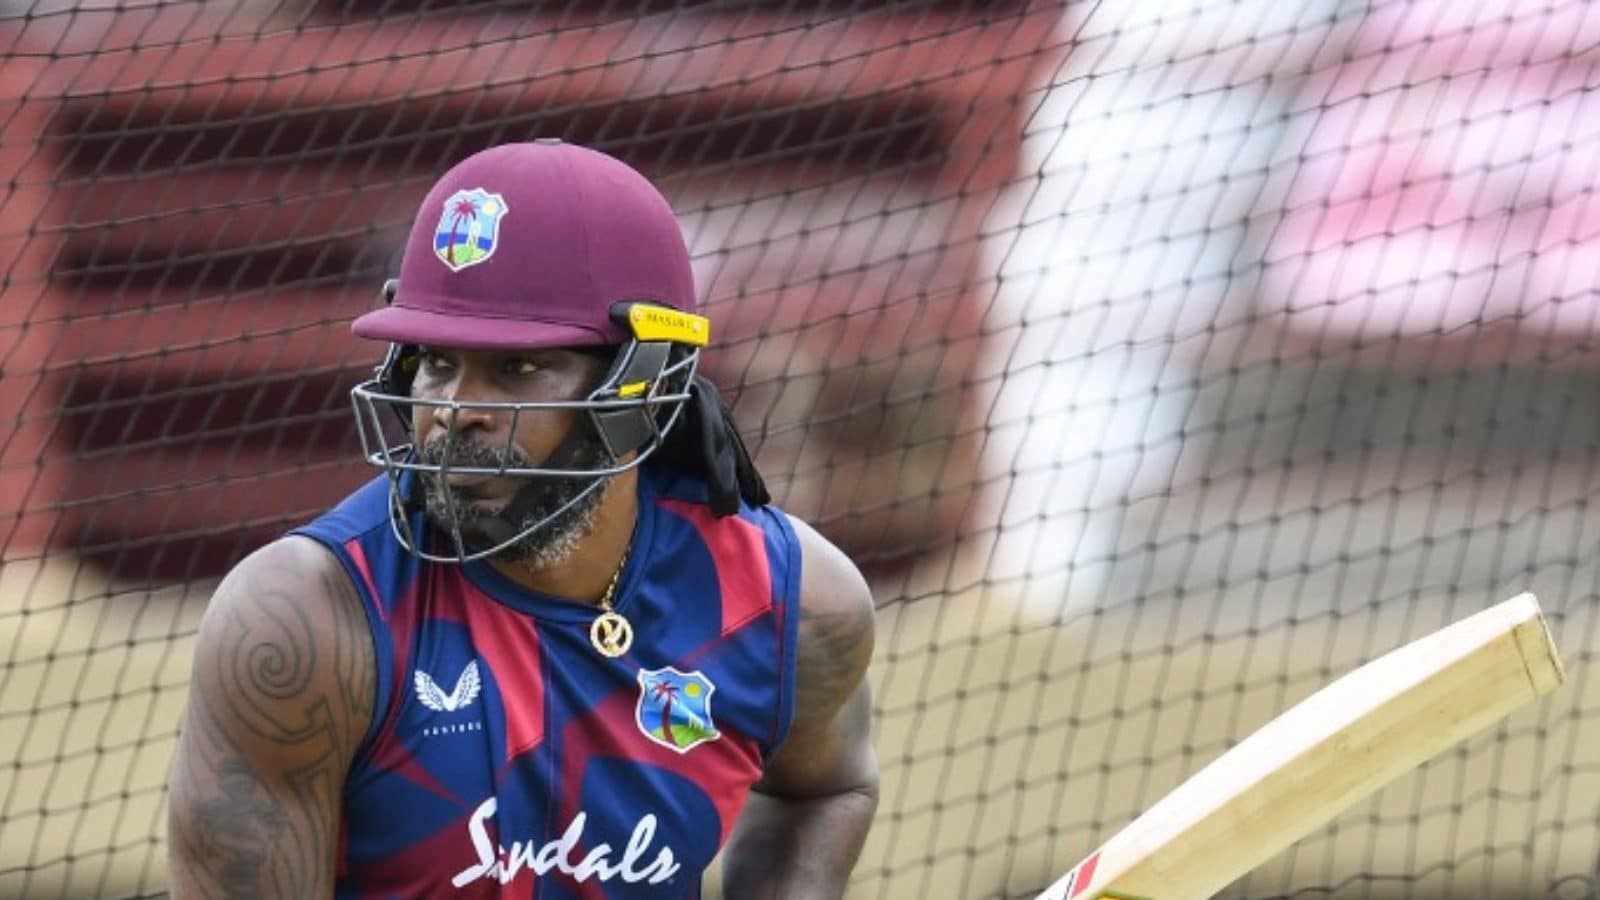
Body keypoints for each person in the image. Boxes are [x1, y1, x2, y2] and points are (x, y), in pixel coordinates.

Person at [166, 140, 879, 898]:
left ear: (642, 384)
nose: (453, 411)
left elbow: (825, 789)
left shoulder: (788, 605)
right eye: (436, 361)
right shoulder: (303, 623)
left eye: (518, 367)